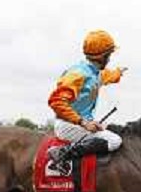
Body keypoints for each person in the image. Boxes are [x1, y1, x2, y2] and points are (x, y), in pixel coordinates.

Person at [47, 30, 127, 164]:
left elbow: (108, 76)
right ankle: (62, 152)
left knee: (117, 129)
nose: (110, 58)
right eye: (109, 55)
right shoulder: (77, 75)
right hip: (68, 126)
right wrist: (83, 123)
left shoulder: (95, 73)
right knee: (115, 141)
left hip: (82, 123)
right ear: (102, 56)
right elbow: (56, 102)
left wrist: (119, 72)